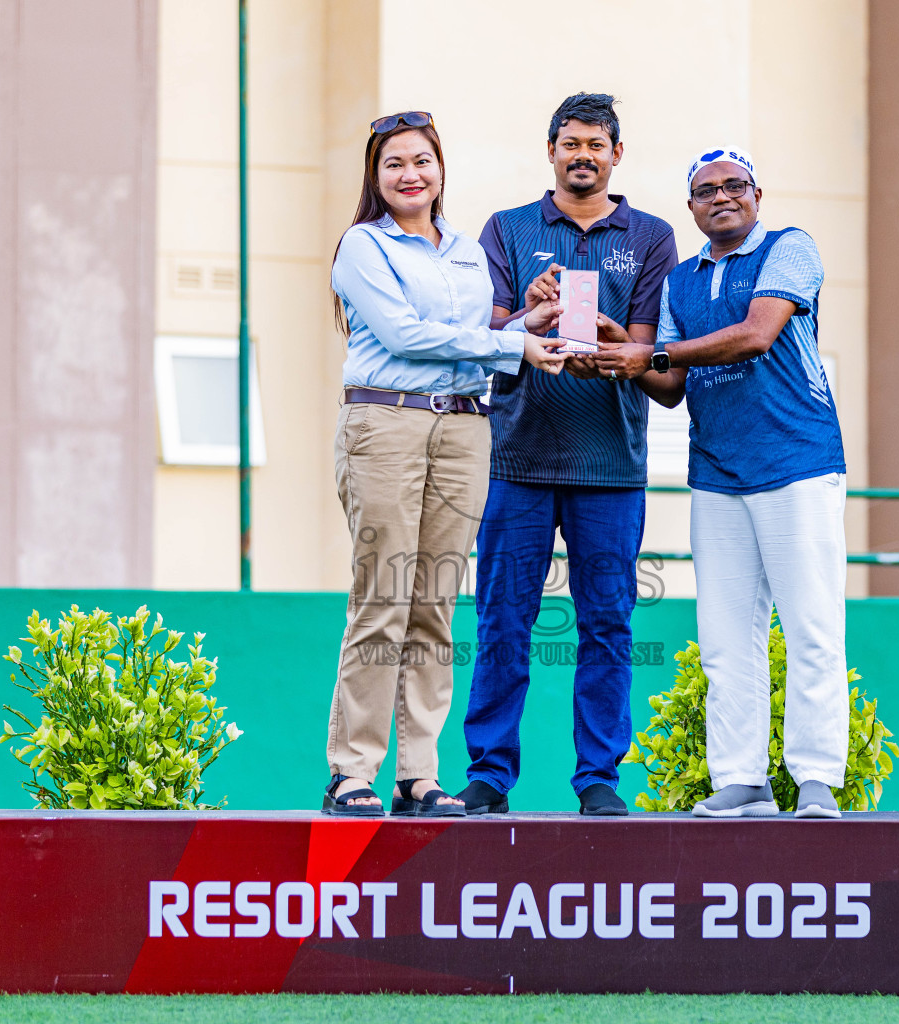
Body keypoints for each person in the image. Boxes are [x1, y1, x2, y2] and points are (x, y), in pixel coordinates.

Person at [593, 146, 849, 819]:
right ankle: (743, 783)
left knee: (812, 629)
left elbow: (756, 334)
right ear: (691, 208)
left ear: (757, 194)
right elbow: (671, 386)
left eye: (735, 185)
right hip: (718, 474)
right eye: (707, 191)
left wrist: (650, 351)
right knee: (726, 639)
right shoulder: (680, 282)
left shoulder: (790, 249)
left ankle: (818, 780)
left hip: (797, 463)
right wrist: (617, 354)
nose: (722, 197)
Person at [325, 111, 567, 817]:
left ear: (440, 170)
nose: (410, 175)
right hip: (386, 422)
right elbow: (404, 334)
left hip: (464, 428)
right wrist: (508, 347)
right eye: (395, 163)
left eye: (422, 161)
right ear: (376, 176)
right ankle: (352, 773)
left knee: (433, 605)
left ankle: (418, 775)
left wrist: (529, 325)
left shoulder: (467, 250)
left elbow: (470, 337)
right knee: (383, 598)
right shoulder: (362, 247)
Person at [458, 93, 678, 816]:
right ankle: (489, 775)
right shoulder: (507, 229)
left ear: (618, 155)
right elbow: (489, 346)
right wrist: (533, 313)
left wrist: (612, 342)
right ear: (549, 150)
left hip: (611, 465)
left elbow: (649, 352)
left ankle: (599, 783)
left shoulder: (650, 236)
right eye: (570, 143)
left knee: (609, 625)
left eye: (596, 144)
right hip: (517, 459)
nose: (583, 155)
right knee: (501, 622)